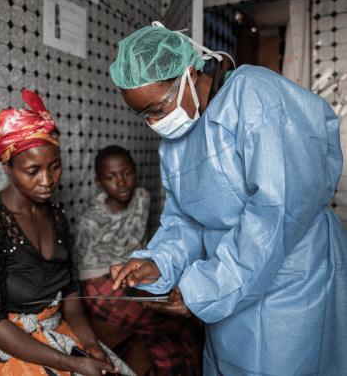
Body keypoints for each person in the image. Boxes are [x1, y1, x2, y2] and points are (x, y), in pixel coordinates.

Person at [108, 22, 347, 375]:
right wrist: (160, 261)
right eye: (143, 114)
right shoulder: (174, 146)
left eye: (158, 107)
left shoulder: (255, 96)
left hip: (292, 280)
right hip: (226, 285)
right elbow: (185, 220)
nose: (154, 122)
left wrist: (205, 288)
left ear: (189, 73)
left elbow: (278, 210)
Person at [0, 90, 135, 376]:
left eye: (54, 166)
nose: (47, 180)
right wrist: (73, 363)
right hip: (5, 343)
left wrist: (91, 345)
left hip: (55, 328)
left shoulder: (56, 216)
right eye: (32, 170)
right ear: (8, 167)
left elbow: (70, 295)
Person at [74, 145, 204, 376]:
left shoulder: (142, 198)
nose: (121, 183)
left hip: (132, 272)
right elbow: (82, 270)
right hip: (100, 283)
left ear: (135, 171)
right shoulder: (92, 220)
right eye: (111, 177)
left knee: (168, 338)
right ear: (99, 182)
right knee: (180, 322)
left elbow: (142, 245)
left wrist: (151, 275)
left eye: (126, 173)